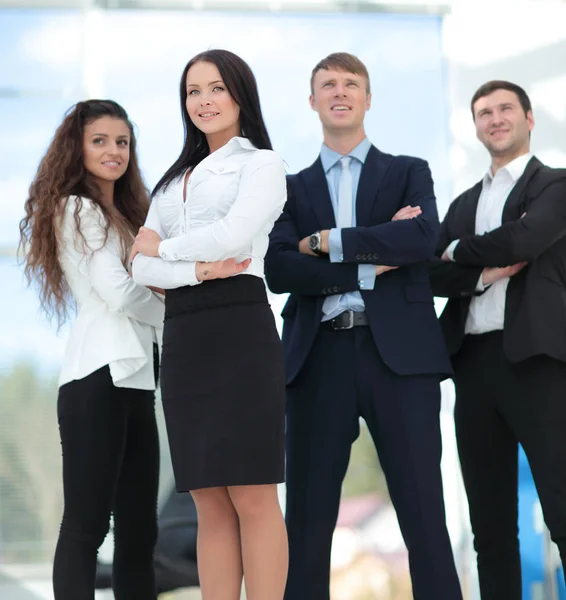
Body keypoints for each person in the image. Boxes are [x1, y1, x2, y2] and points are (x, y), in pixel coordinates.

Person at [265, 52, 462, 600]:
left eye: (351, 82)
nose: (340, 91)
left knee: (425, 516)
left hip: (399, 357)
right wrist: (376, 254)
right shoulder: (290, 187)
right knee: (305, 525)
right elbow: (280, 269)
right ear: (313, 101)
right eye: (327, 84)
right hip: (317, 359)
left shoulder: (408, 171)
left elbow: (423, 240)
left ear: (368, 98)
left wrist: (328, 242)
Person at [131, 49, 288, 600]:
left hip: (241, 328)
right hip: (185, 337)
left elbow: (234, 236)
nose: (204, 101)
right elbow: (139, 266)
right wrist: (196, 268)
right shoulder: (171, 181)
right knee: (206, 496)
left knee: (251, 491)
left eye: (216, 88)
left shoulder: (261, 165)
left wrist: (166, 251)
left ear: (240, 94)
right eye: (193, 91)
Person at [19, 100, 165, 600]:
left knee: (140, 535)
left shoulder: (127, 215)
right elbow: (120, 292)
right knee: (86, 528)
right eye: (99, 140)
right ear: (76, 149)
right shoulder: (78, 208)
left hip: (136, 380)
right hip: (97, 377)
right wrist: (183, 317)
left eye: (122, 142)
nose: (114, 151)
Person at [430, 80, 566, 599]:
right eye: (484, 112)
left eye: (505, 108)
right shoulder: (464, 201)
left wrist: (458, 249)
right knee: (489, 529)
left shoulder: (554, 185)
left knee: (562, 509)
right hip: (473, 367)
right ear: (477, 126)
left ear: (529, 118)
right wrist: (483, 273)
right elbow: (427, 274)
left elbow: (528, 239)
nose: (495, 118)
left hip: (539, 362)